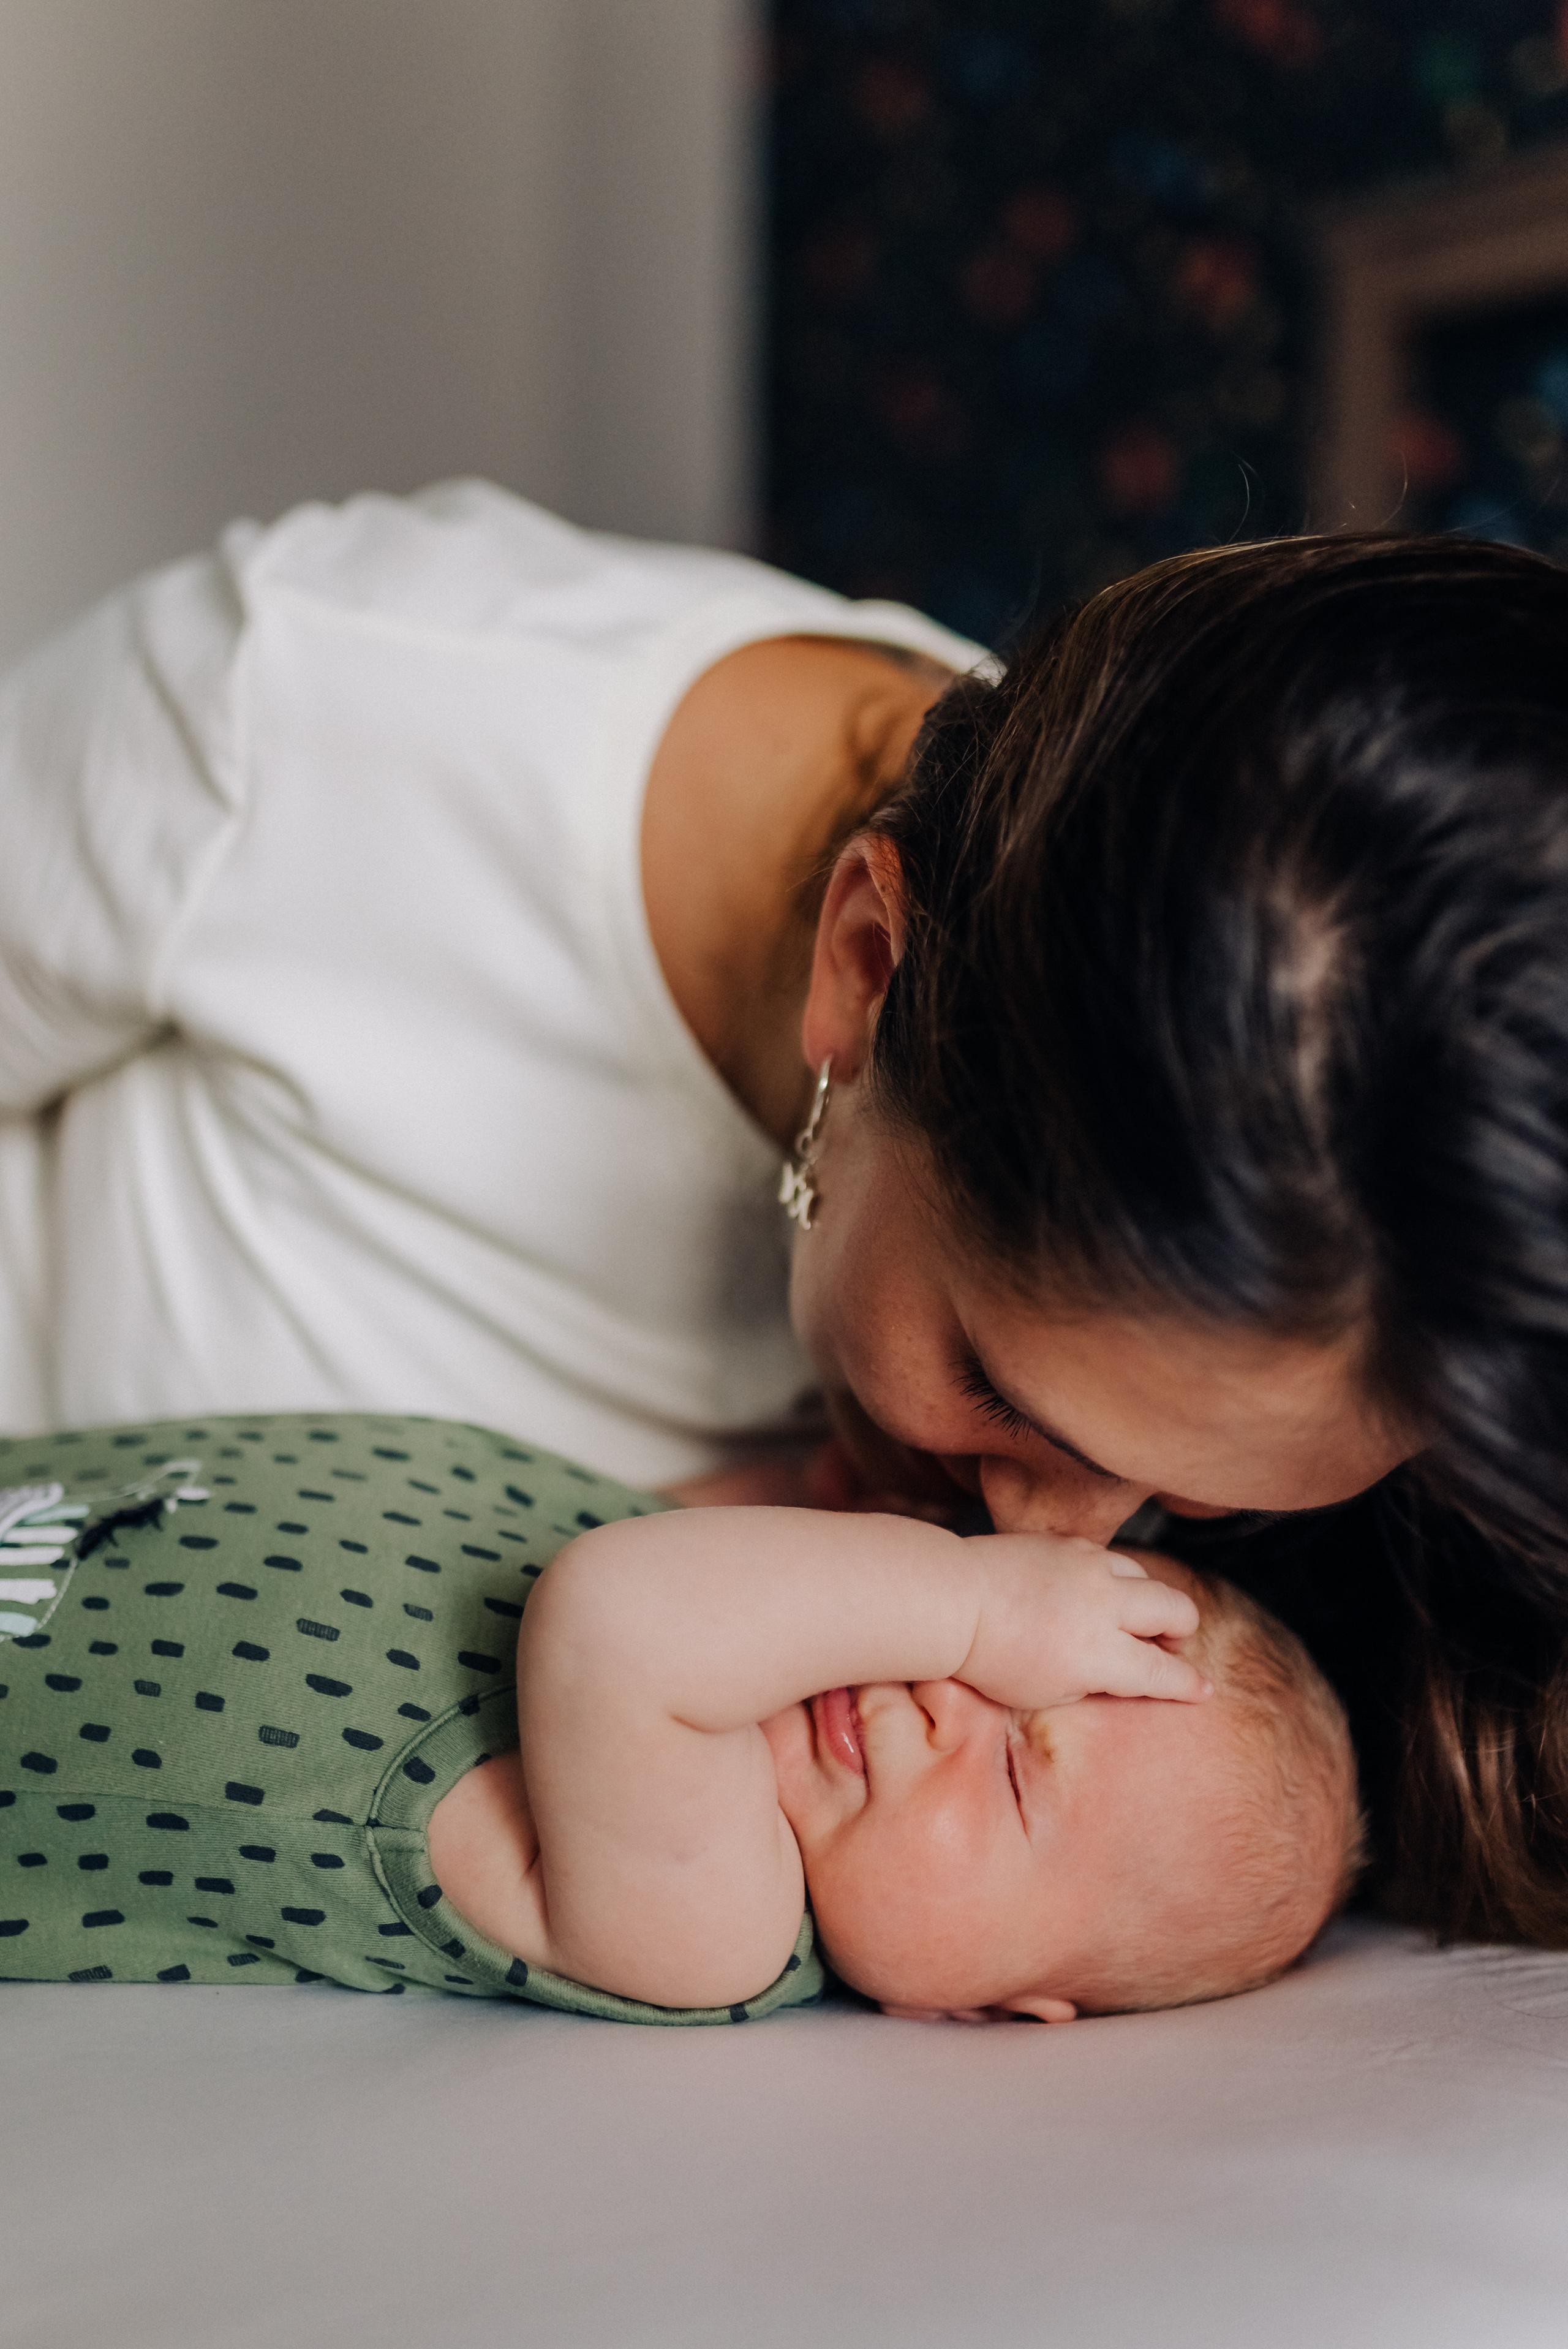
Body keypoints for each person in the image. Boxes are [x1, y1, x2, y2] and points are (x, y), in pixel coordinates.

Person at [4, 491, 1568, 1950]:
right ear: (865, 960)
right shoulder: (302, 726)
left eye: (1209, 1503)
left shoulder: (1373, 1189)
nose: (1048, 1550)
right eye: (1004, 1399)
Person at [0, 1413, 1359, 2019]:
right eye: (1021, 1638)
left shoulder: (718, 1926)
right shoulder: (760, 1622)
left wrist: (968, 1603)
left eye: (1013, 1774)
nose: (948, 1690)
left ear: (998, 2010)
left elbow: (618, 1621)